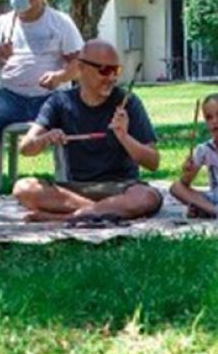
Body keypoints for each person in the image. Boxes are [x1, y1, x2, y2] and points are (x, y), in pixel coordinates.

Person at [12, 39, 161, 223]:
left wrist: (124, 136)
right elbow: (25, 148)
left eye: (116, 71)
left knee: (147, 198)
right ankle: (97, 212)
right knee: (23, 188)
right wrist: (45, 139)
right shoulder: (60, 102)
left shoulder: (128, 102)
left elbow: (153, 162)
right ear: (81, 68)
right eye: (104, 70)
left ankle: (67, 217)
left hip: (121, 187)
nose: (112, 78)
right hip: (77, 189)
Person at [0, 0, 84, 189]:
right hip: (10, 96)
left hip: (52, 97)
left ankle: (72, 180)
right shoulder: (1, 24)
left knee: (79, 122)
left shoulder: (60, 22)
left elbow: (80, 63)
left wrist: (60, 76)